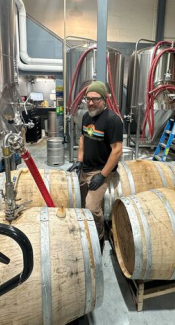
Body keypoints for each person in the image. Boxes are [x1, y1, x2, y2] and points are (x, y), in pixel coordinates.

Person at [67, 81, 123, 250]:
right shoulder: (86, 116)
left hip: (100, 170)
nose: (90, 103)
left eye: (95, 99)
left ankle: (99, 236)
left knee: (91, 207)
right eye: (88, 99)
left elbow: (117, 150)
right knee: (79, 202)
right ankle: (86, 229)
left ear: (104, 99)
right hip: (85, 168)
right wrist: (79, 161)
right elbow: (83, 140)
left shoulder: (113, 120)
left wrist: (103, 175)